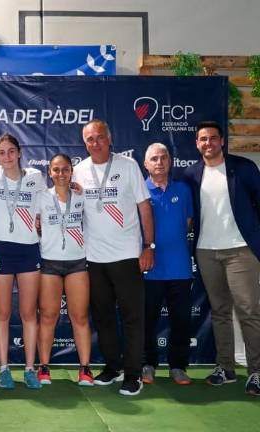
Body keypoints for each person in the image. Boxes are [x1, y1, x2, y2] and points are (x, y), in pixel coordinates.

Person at [73, 119, 154, 396]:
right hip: (94, 258)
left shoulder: (128, 166)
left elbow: (144, 207)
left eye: (99, 137)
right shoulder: (78, 171)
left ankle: (133, 374)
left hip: (127, 256)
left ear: (110, 138)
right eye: (89, 139)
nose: (94, 143)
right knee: (103, 317)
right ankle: (113, 366)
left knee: (132, 318)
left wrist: (148, 246)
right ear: (84, 143)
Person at [182, 121, 260, 396]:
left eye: (213, 138)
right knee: (220, 312)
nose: (208, 143)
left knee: (249, 311)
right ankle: (225, 368)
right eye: (203, 139)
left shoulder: (244, 168)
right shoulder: (191, 174)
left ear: (222, 141)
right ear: (197, 143)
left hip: (241, 250)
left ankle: (256, 372)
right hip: (206, 251)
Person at [0, 134, 45, 389]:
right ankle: (5, 368)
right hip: (0, 249)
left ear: (19, 153)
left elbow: (48, 204)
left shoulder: (35, 177)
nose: (7, 157)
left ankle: (30, 368)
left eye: (11, 151)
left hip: (29, 250)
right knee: (2, 312)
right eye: (1, 152)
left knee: (29, 313)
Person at [36, 153, 94, 387]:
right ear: (49, 172)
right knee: (48, 316)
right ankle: (44, 366)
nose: (61, 174)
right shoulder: (40, 197)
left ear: (72, 172)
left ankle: (85, 368)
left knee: (79, 317)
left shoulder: (82, 196)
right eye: (56, 170)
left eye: (65, 170)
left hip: (77, 262)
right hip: (49, 262)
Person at [141, 143, 194, 386]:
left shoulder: (183, 190)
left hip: (180, 268)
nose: (159, 162)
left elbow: (188, 224)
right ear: (146, 164)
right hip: (149, 269)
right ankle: (147, 364)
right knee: (146, 321)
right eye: (154, 158)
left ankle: (178, 367)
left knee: (181, 321)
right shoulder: (139, 191)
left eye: (163, 157)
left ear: (170, 161)